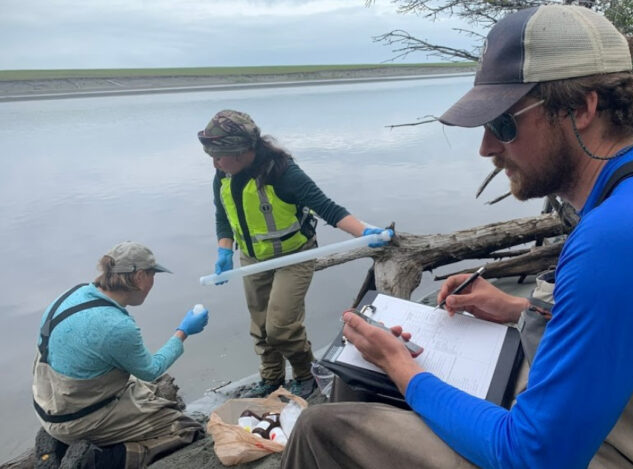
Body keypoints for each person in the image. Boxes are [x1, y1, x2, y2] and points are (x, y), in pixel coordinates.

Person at [282, 5, 633, 468]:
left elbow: (534, 458)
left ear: (581, 108)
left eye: (503, 123)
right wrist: (521, 309)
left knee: (323, 427)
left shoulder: (624, 237)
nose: (486, 147)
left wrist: (402, 368)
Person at [197, 110, 391, 399]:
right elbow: (222, 215)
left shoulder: (284, 173)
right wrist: (224, 251)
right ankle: (271, 378)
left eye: (219, 155)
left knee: (281, 325)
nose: (214, 162)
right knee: (261, 326)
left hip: (294, 255)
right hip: (252, 259)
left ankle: (304, 373)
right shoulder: (224, 173)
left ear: (242, 152)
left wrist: (363, 231)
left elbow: (327, 207)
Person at [32, 241, 208, 468]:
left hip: (49, 402)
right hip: (76, 418)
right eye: (153, 275)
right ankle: (96, 460)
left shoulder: (73, 294)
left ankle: (55, 446)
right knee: (186, 430)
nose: (153, 283)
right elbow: (151, 369)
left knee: (144, 390)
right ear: (140, 277)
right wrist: (183, 332)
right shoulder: (115, 326)